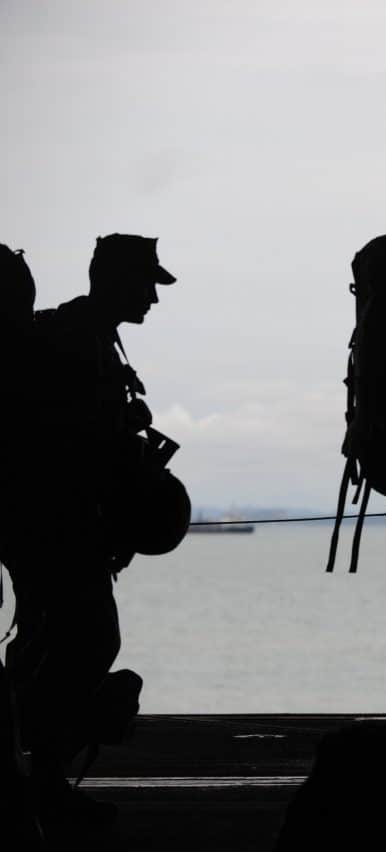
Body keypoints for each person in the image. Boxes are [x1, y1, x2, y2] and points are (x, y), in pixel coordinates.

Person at [3, 234, 174, 829]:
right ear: (113, 279)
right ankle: (45, 781)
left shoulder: (89, 336)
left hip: (51, 524)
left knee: (48, 646)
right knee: (89, 642)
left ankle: (35, 782)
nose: (153, 296)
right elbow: (74, 446)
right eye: (145, 282)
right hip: (56, 525)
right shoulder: (79, 341)